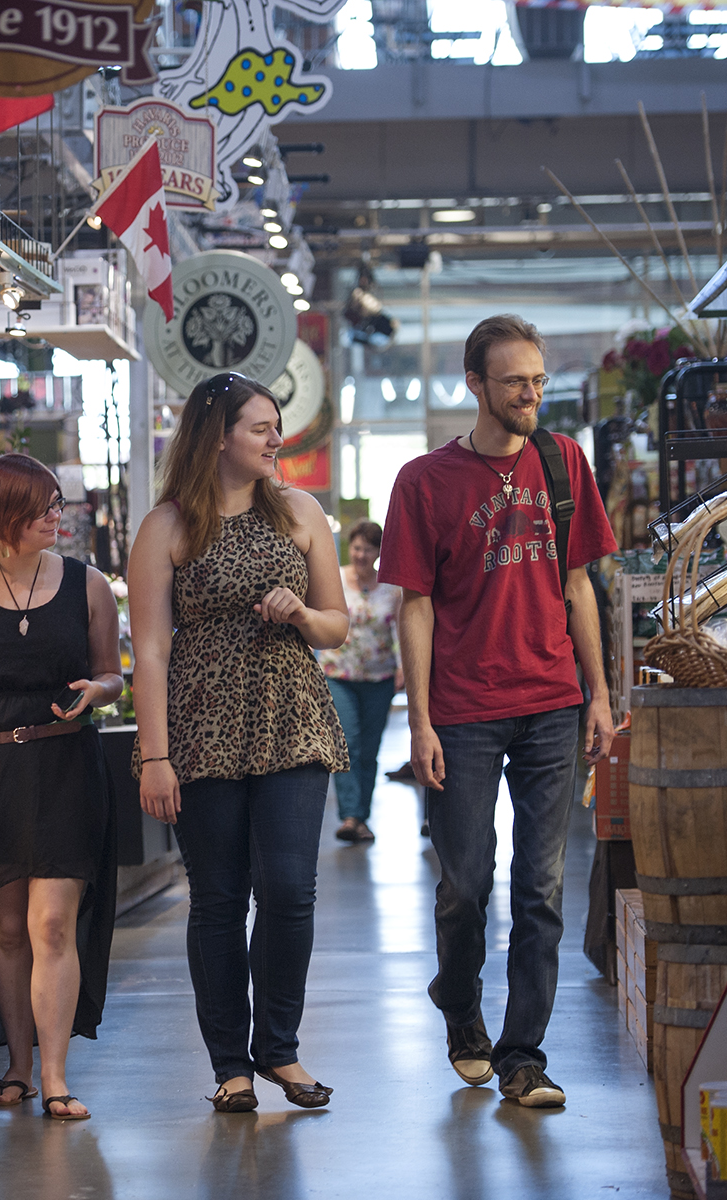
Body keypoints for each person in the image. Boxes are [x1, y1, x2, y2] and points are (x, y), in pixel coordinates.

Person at [380, 314, 616, 1109]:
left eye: (539, 380)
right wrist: (418, 721)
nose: (531, 394)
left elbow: (580, 586)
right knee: (466, 885)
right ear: (474, 385)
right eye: (516, 381)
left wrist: (600, 696)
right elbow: (414, 607)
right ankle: (460, 1007)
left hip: (552, 702)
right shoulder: (425, 481)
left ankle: (523, 1055)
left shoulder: (564, 462)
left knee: (541, 888)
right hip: (463, 712)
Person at [128, 371, 351, 1113]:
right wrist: (153, 756)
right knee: (218, 899)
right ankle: (230, 1064)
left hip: (290, 714)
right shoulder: (166, 526)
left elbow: (337, 625)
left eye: (275, 426)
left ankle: (279, 1050)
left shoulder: (299, 511)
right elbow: (151, 651)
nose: (275, 439)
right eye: (260, 427)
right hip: (200, 724)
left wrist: (299, 615)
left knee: (290, 891)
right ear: (217, 434)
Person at [0, 452, 124, 1122]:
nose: (56, 517)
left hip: (68, 767)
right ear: (1, 515)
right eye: (43, 507)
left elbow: (112, 675)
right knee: (7, 928)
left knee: (52, 922)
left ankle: (58, 1074)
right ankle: (18, 1066)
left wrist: (99, 691)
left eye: (57, 504)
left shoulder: (88, 585)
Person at [319, 519, 403, 845]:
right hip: (338, 673)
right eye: (356, 547)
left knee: (369, 749)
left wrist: (404, 668)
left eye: (368, 549)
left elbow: (400, 630)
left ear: (379, 552)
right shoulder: (335, 580)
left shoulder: (392, 588)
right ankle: (351, 816)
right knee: (347, 743)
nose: (361, 554)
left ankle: (362, 817)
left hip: (380, 677)